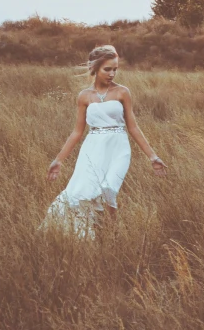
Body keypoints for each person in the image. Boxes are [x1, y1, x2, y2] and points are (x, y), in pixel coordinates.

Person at [43, 45, 167, 237]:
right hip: (92, 148)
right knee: (84, 193)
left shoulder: (122, 92)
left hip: (119, 147)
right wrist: (58, 160)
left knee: (109, 189)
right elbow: (77, 132)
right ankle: (91, 233)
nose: (112, 74)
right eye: (107, 69)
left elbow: (133, 127)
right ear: (95, 68)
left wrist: (153, 157)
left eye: (115, 69)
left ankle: (112, 233)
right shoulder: (84, 96)